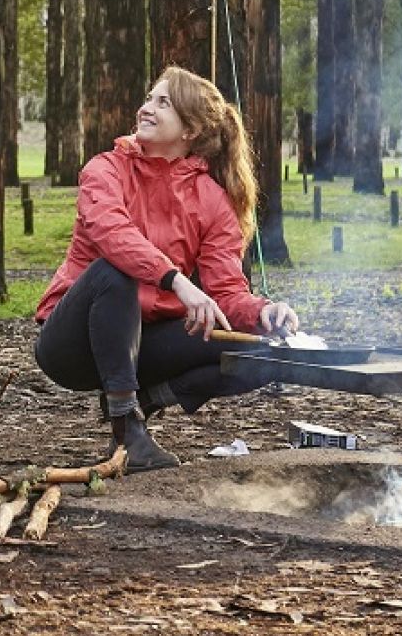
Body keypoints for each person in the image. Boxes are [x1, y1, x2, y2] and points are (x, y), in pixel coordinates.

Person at [33, 67, 300, 471]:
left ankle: (145, 399)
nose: (146, 109)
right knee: (114, 271)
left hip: (144, 342)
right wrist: (176, 281)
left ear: (190, 130)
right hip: (73, 343)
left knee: (264, 352)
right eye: (149, 98)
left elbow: (225, 292)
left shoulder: (211, 199)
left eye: (163, 103)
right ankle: (128, 434)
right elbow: (112, 233)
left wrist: (263, 312)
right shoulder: (104, 169)